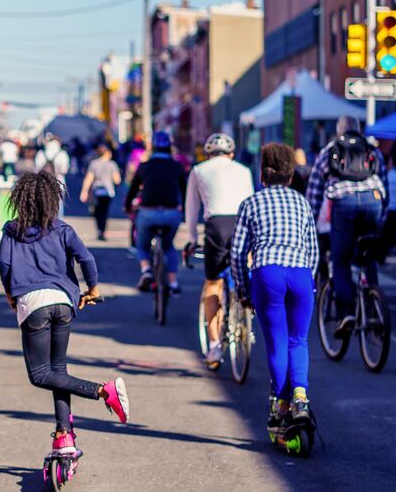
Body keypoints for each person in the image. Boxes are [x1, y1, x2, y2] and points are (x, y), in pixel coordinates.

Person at [0, 171, 129, 458]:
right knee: (58, 371)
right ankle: (63, 435)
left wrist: (10, 294)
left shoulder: (11, 230)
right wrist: (92, 289)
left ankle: (103, 391)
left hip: (34, 304)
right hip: (63, 303)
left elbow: (4, 265)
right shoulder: (63, 229)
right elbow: (86, 258)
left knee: (40, 375)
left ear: (21, 201)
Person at [230, 143, 319, 434]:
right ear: (291, 176)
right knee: (299, 340)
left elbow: (238, 253)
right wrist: (309, 280)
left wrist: (244, 290)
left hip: (268, 274)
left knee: (277, 342)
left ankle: (280, 405)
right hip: (301, 274)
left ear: (262, 175)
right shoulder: (302, 203)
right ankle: (300, 398)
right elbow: (314, 251)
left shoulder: (251, 203)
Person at [306, 116, 385, 335]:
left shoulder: (330, 150)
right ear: (358, 130)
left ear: (340, 130)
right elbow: (384, 180)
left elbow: (314, 190)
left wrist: (311, 222)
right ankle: (371, 308)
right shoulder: (371, 148)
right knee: (368, 258)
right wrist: (383, 217)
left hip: (344, 203)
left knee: (340, 259)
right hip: (373, 201)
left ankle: (347, 312)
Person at [183, 133, 255, 367]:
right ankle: (245, 311)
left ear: (208, 153)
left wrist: (192, 239)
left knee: (213, 283)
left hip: (216, 225)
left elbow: (192, 210)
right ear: (231, 154)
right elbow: (251, 202)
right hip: (243, 222)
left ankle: (214, 347)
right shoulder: (244, 170)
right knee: (243, 270)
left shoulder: (198, 170)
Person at [125, 130, 188, 293]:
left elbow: (132, 189)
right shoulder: (177, 166)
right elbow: (184, 190)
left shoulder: (145, 166)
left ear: (152, 146)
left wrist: (127, 206)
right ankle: (173, 283)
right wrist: (185, 210)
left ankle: (146, 270)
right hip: (171, 213)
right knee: (169, 246)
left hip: (148, 212)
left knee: (142, 244)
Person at [80, 144, 121, 241]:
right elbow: (117, 180)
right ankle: (102, 230)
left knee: (98, 212)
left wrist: (84, 191)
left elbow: (89, 179)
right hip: (108, 192)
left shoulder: (94, 164)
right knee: (104, 212)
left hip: (97, 191)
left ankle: (99, 230)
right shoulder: (112, 164)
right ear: (107, 153)